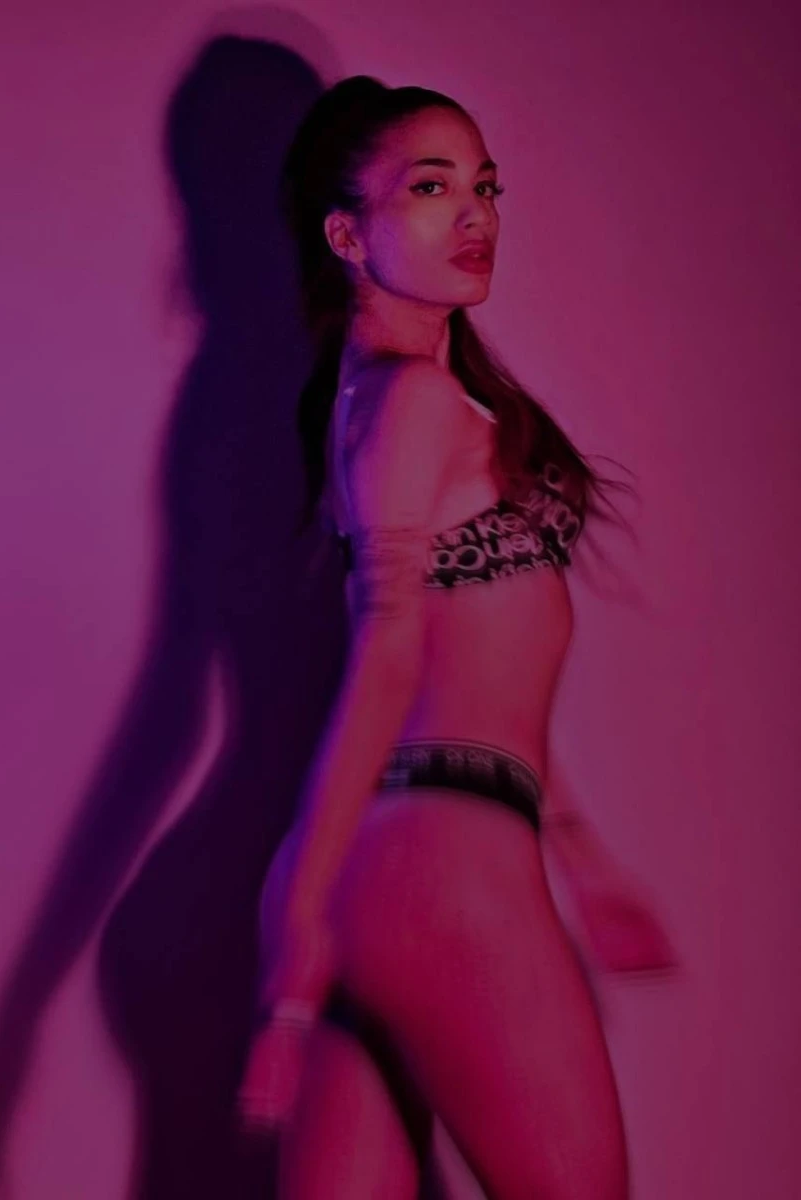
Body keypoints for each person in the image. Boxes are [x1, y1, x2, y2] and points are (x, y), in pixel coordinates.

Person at [235, 75, 678, 1199]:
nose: (474, 214)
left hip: (386, 867)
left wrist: (579, 856)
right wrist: (296, 928)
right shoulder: (412, 402)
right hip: (443, 876)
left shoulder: (377, 401)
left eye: (484, 187)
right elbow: (385, 655)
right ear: (346, 234)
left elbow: (463, 672)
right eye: (430, 188)